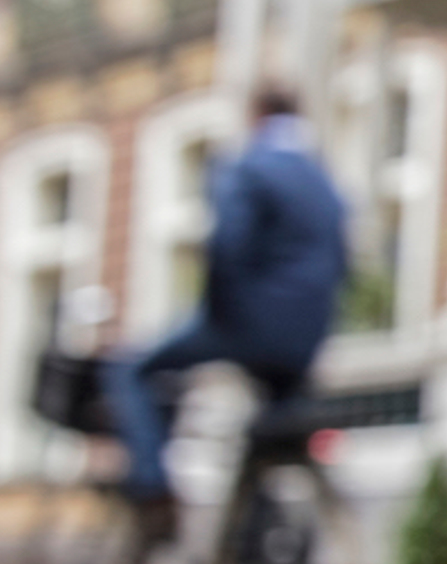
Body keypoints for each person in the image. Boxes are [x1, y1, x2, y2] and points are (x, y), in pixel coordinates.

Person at [108, 84, 348, 529]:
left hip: (247, 324)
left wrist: (217, 315)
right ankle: (257, 531)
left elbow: (227, 247)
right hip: (307, 336)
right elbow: (343, 262)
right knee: (272, 430)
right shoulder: (326, 183)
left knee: (132, 369)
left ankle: (152, 483)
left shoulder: (249, 167)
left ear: (257, 116)